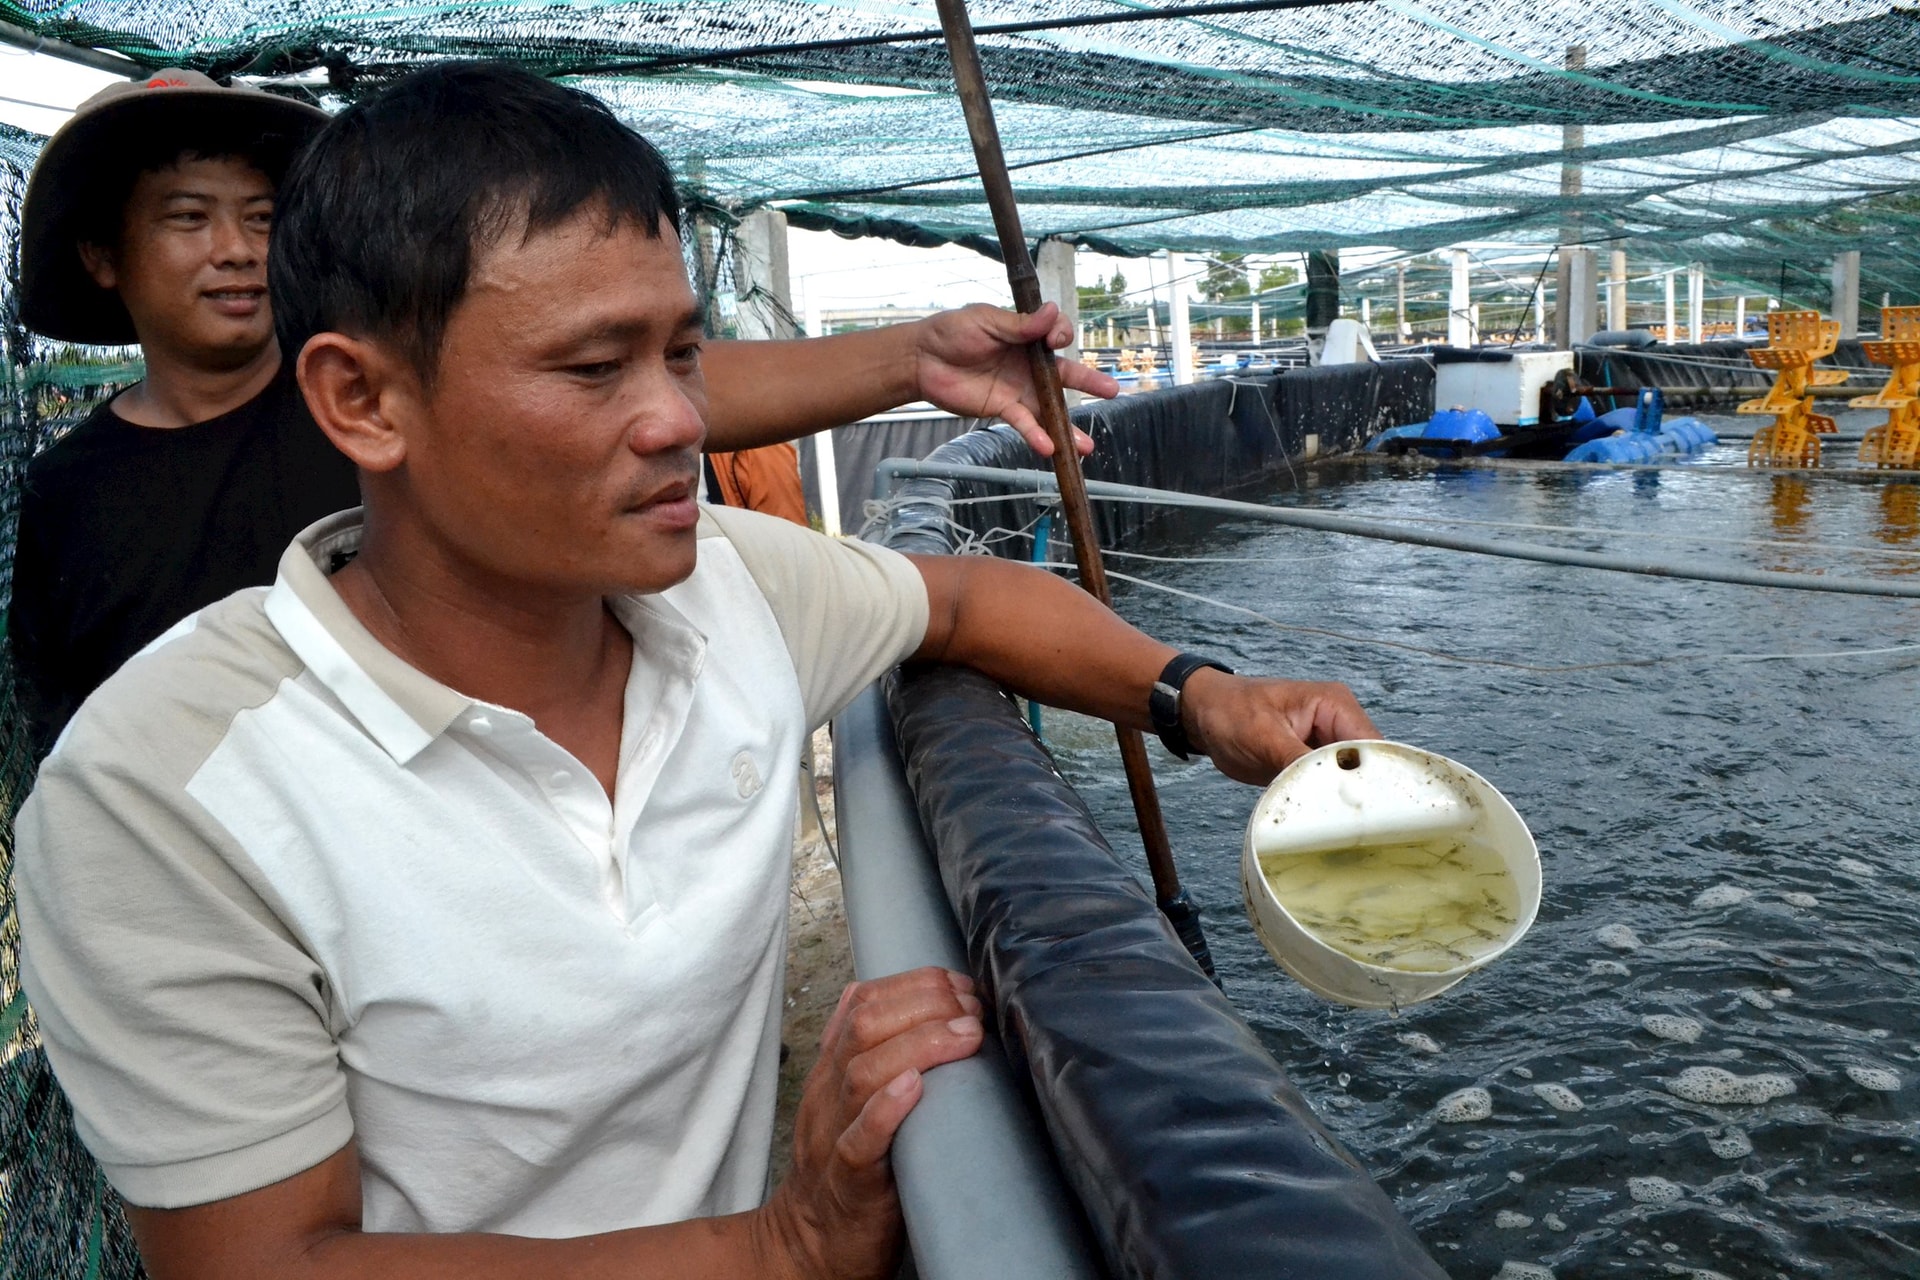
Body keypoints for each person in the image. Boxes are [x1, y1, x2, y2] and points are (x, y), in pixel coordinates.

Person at [15, 63, 1376, 1278]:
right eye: (593, 366)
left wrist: (1199, 699)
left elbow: (962, 599)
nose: (679, 417)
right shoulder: (160, 792)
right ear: (363, 402)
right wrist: (777, 1246)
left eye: (678, 350)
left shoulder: (727, 590)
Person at [11, 70, 1112, 754]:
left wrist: (917, 356)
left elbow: (674, 394)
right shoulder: (72, 494)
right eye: (188, 218)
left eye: (262, 214)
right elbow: (66, 715)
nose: (236, 248)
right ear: (104, 256)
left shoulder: (400, 405)